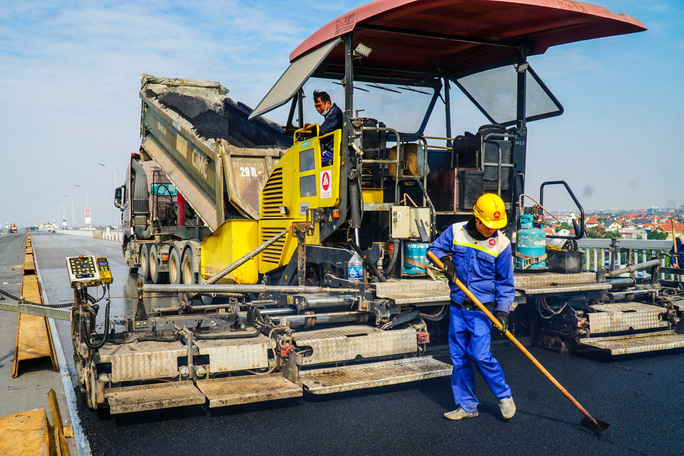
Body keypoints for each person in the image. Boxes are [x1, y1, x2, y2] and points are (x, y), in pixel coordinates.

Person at [427, 193, 516, 421]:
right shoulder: (456, 232)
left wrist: (503, 311)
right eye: (488, 225)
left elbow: (506, 284)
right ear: (476, 217)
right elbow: (434, 249)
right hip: (458, 308)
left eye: (495, 226)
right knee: (459, 359)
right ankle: (467, 406)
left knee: (480, 355)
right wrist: (445, 260)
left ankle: (504, 395)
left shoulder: (502, 244)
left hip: (482, 311)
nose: (491, 230)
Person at [312, 90, 342, 165]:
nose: (317, 109)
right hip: (331, 150)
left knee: (312, 166)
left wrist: (313, 129)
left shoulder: (335, 113)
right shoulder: (330, 115)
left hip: (334, 151)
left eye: (319, 105)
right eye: (316, 106)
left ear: (328, 103)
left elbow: (323, 131)